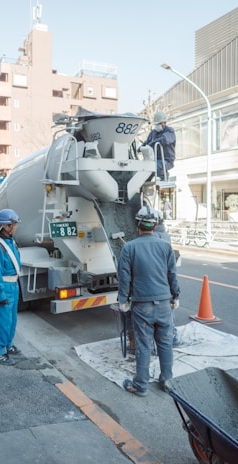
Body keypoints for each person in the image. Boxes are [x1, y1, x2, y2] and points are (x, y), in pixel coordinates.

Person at [118, 206, 180, 396]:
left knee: (144, 345)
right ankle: (167, 381)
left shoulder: (129, 247)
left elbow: (124, 277)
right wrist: (175, 296)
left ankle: (141, 385)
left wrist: (123, 300)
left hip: (142, 305)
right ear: (155, 226)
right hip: (164, 303)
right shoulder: (165, 246)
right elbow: (172, 274)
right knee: (165, 343)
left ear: (138, 225)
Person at [0, 209, 22, 366]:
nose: (16, 227)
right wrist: (0, 295)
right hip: (2, 287)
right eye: (14, 224)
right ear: (7, 226)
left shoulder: (11, 241)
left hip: (13, 285)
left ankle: (8, 344)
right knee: (4, 321)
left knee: (12, 320)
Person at [154, 211, 179, 346]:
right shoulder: (166, 235)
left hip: (154, 279)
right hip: (165, 279)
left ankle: (156, 338)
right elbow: (172, 270)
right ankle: (172, 335)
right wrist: (175, 293)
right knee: (168, 310)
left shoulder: (153, 236)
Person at [139, 111, 176, 180]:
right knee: (145, 170)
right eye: (155, 124)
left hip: (167, 161)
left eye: (158, 124)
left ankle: (163, 176)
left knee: (152, 167)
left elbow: (164, 140)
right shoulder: (153, 132)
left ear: (164, 123)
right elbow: (147, 142)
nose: (156, 126)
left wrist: (151, 144)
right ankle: (145, 184)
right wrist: (139, 149)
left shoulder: (169, 131)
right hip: (155, 160)